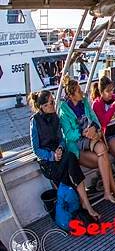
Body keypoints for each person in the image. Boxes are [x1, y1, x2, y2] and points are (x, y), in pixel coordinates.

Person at [57, 76, 115, 210]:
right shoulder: (64, 111)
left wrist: (94, 128)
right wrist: (83, 132)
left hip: (91, 140)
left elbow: (95, 119)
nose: (82, 93)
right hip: (78, 148)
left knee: (103, 155)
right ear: (71, 96)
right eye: (79, 91)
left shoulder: (84, 102)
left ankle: (109, 193)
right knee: (105, 161)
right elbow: (68, 134)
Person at [29, 90, 101, 220]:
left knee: (69, 161)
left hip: (60, 157)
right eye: (51, 102)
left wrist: (61, 148)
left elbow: (61, 139)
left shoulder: (55, 117)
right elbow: (36, 149)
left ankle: (82, 206)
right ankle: (85, 206)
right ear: (43, 107)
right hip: (48, 163)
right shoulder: (35, 121)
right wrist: (52, 155)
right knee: (70, 159)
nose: (54, 104)